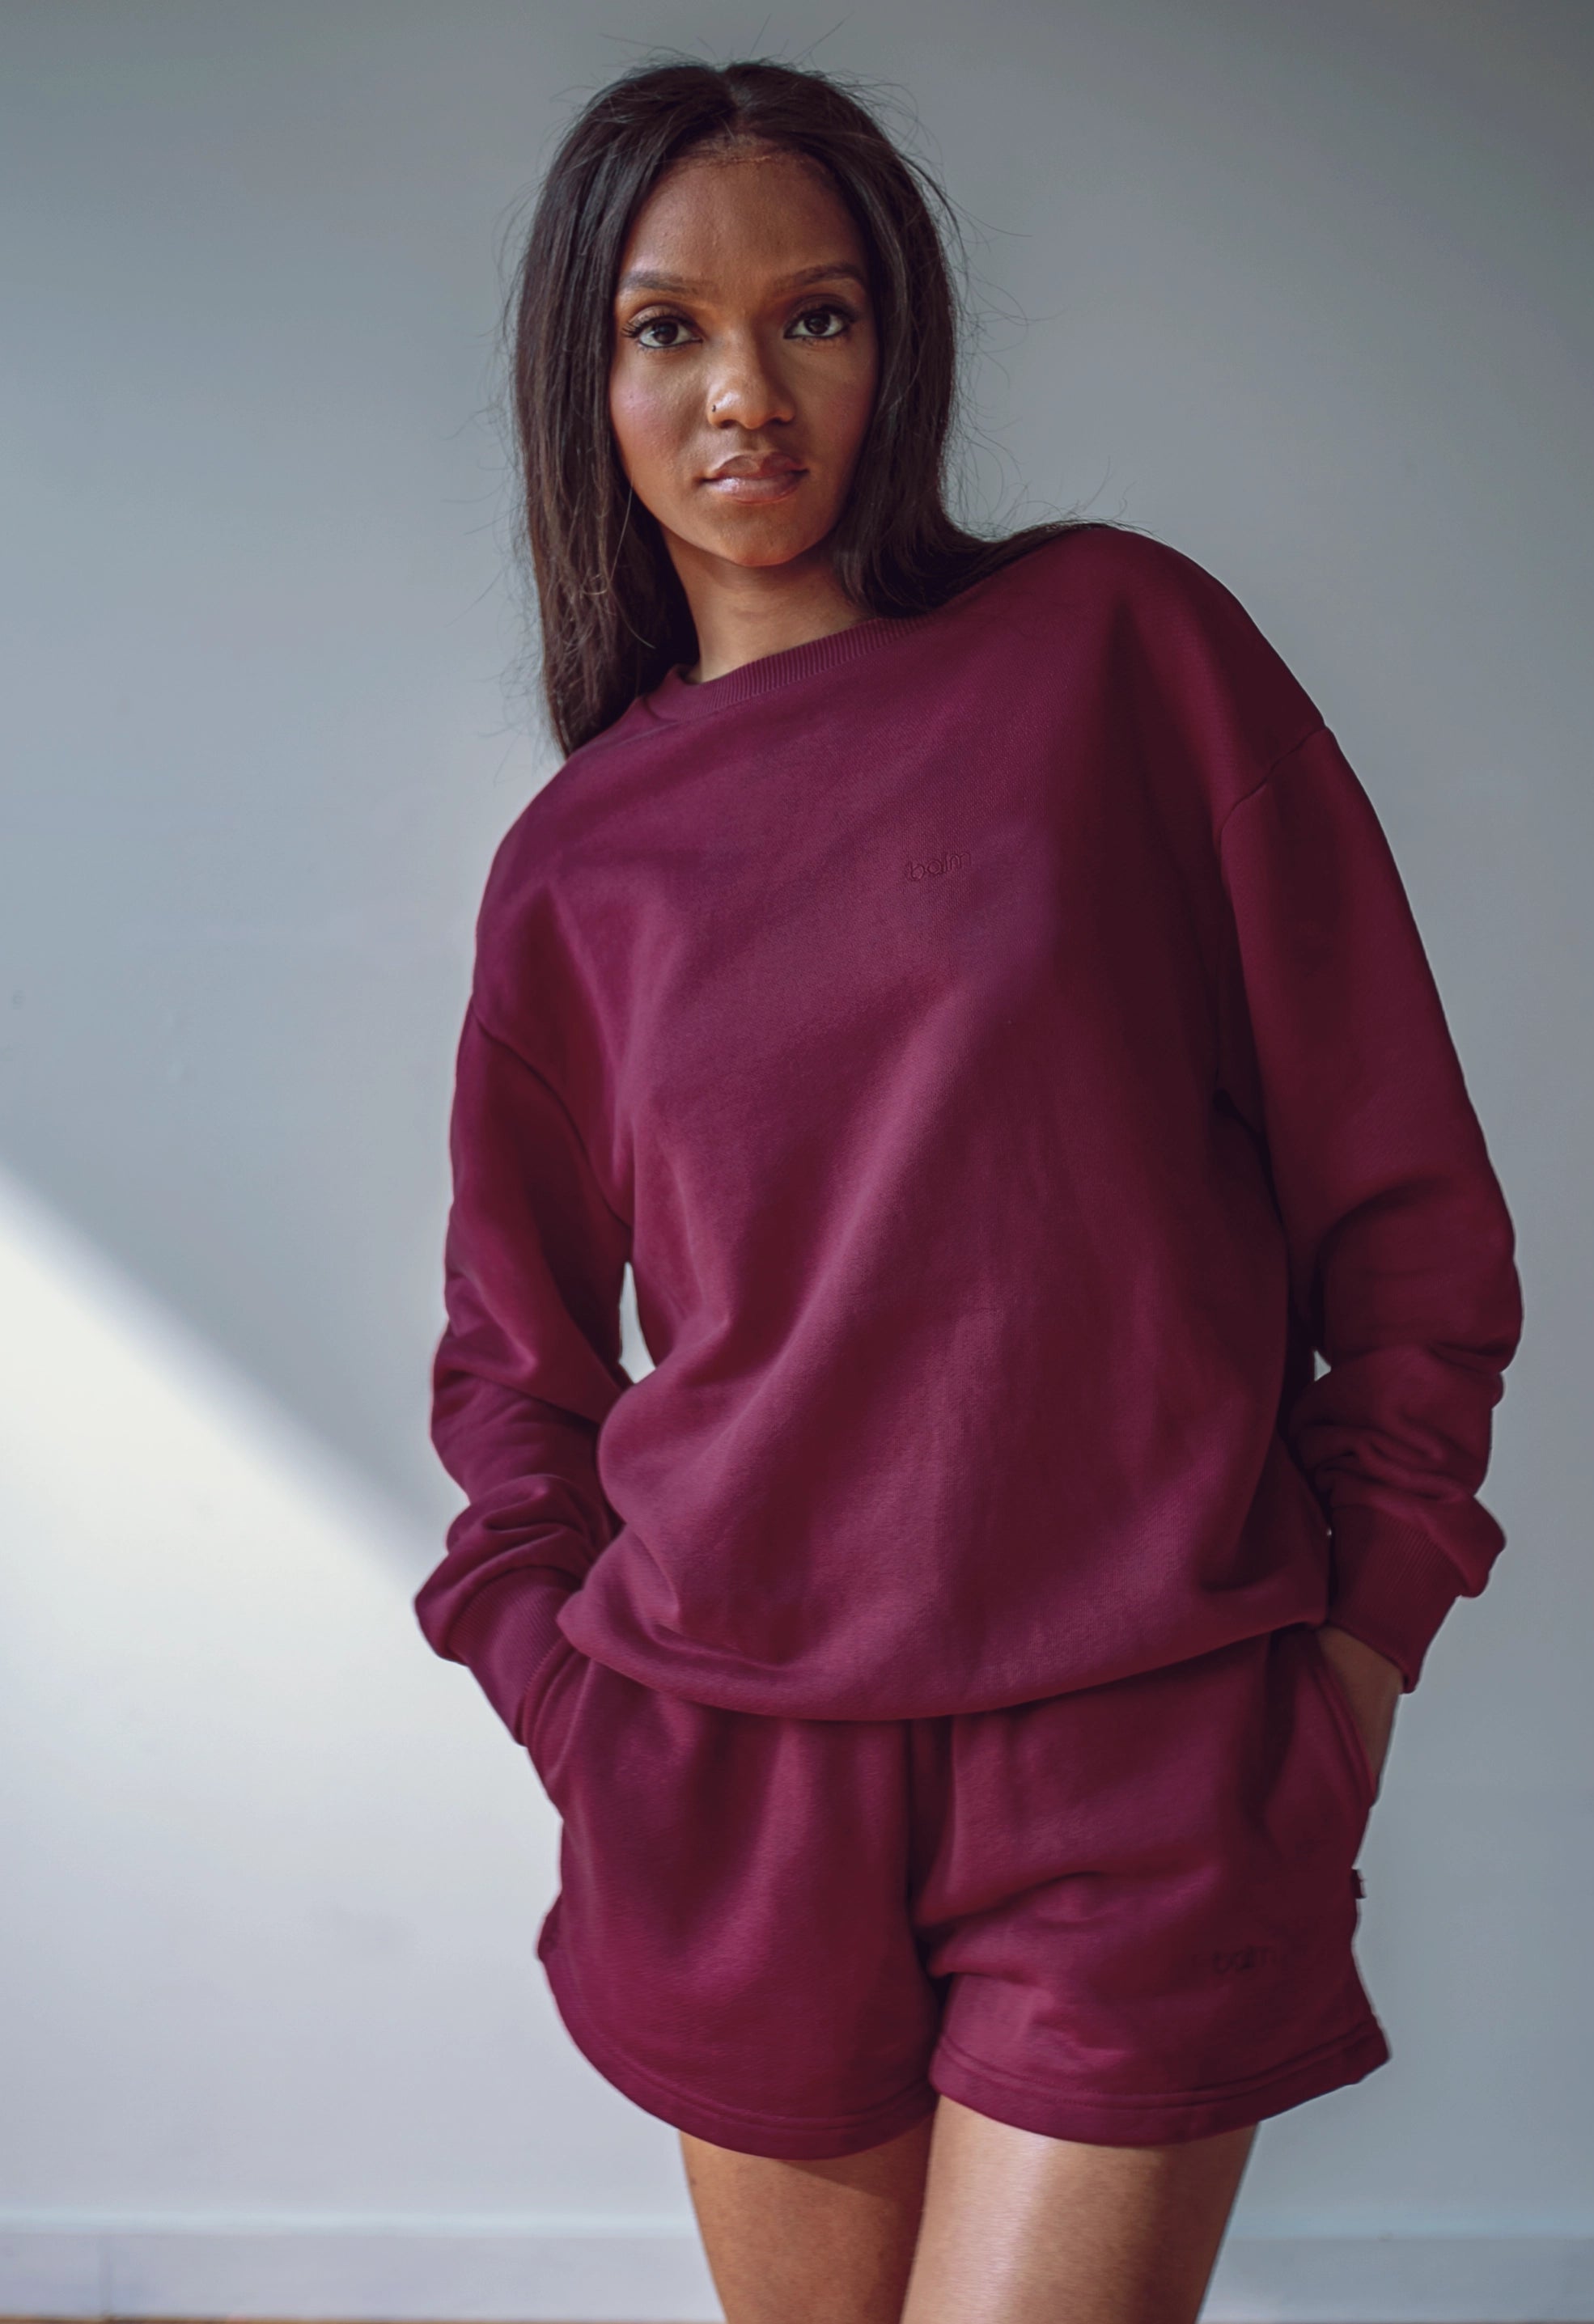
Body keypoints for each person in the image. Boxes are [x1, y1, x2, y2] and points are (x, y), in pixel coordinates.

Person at [412, 53, 1524, 2324]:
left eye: (813, 316)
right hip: (733, 1787)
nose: (744, 391)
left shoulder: (1122, 655)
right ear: (584, 378)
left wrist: (1350, 1653)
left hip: (1142, 1746)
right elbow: (511, 1372)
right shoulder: (575, 872)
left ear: (897, 341)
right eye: (666, 329)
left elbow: (1404, 1210)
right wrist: (584, 1713)